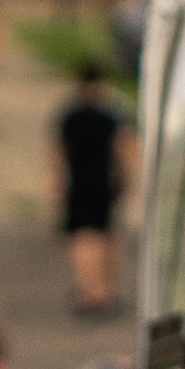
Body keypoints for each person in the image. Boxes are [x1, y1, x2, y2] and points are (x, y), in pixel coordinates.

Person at [55, 57, 131, 314]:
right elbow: (123, 147)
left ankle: (89, 290)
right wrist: (127, 175)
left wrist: (57, 180)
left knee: (82, 238)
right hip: (105, 181)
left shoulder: (70, 116)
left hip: (78, 183)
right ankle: (107, 289)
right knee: (107, 235)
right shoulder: (112, 114)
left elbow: (58, 151)